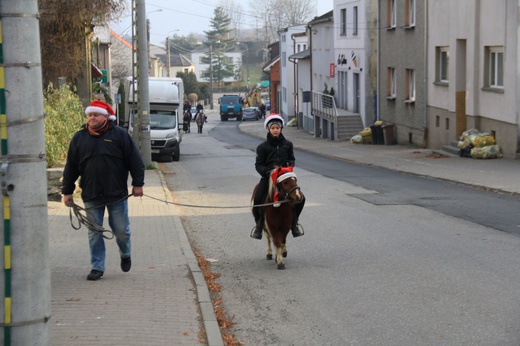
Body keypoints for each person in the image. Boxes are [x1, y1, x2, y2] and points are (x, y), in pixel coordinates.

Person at [62, 100, 145, 281]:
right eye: (90, 115)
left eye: (95, 115)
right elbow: (71, 167)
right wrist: (67, 192)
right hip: (91, 194)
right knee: (94, 232)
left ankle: (125, 254)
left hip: (116, 194)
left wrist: (138, 184)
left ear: (105, 116)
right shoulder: (79, 138)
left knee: (122, 231)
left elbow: (135, 161)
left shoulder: (120, 135)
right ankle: (97, 267)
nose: (91, 118)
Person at [251, 114, 305, 240]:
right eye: (273, 128)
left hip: (285, 178)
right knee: (257, 200)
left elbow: (292, 159)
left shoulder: (288, 144)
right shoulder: (262, 147)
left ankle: (294, 224)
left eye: (277, 127)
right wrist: (268, 172)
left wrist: (289, 167)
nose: (275, 130)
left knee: (300, 199)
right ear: (269, 129)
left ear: (281, 129)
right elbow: (258, 165)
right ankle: (259, 226)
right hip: (268, 178)